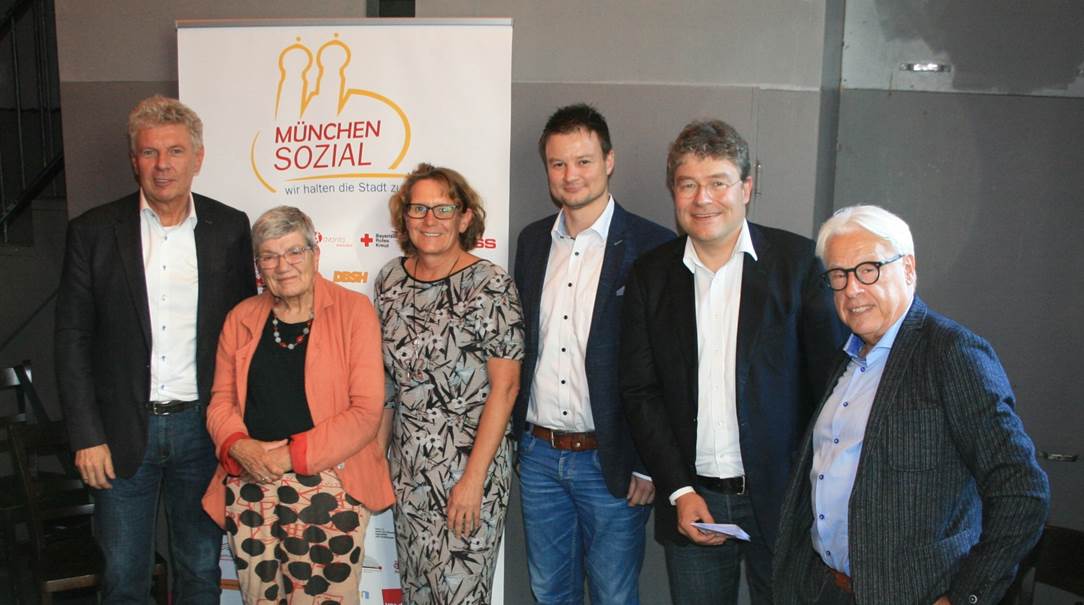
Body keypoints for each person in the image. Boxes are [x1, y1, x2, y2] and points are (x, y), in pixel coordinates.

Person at [772, 205, 1050, 605]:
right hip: (824, 588)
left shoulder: (952, 353)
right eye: (839, 275)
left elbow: (1023, 491)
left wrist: (967, 596)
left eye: (868, 269)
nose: (852, 288)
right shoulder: (846, 361)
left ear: (908, 269)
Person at [620, 119, 846, 605]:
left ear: (746, 187)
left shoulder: (799, 263)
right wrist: (678, 491)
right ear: (674, 192)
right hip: (694, 499)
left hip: (787, 501)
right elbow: (641, 392)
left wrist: (814, 490)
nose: (703, 199)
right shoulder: (650, 276)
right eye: (688, 184)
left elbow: (833, 387)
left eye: (718, 182)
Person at [53, 95, 255, 603]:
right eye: (149, 153)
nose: (162, 165)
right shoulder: (93, 233)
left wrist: (240, 427)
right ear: (134, 160)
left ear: (198, 158)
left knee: (200, 570)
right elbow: (72, 340)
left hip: (202, 430)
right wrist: (85, 435)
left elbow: (243, 334)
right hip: (120, 434)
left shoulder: (229, 228)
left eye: (175, 152)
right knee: (123, 576)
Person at [512, 103, 674, 605]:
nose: (570, 175)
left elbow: (667, 364)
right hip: (538, 457)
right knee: (548, 591)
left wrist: (650, 462)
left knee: (613, 593)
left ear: (609, 161)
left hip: (613, 459)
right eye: (558, 164)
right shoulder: (533, 240)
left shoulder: (653, 245)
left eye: (583, 161)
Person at [202, 205, 393, 604]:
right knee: (260, 600)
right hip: (251, 483)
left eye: (294, 252)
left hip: (330, 484)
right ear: (259, 266)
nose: (282, 265)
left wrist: (290, 456)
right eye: (269, 256)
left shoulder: (353, 312)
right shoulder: (241, 318)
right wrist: (240, 446)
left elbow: (366, 410)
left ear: (314, 253)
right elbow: (220, 401)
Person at [375, 163, 524, 604]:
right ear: (404, 218)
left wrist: (472, 480)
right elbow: (387, 384)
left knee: (458, 597)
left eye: (443, 208)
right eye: (418, 208)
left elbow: (506, 388)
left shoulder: (490, 285)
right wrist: (378, 460)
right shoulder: (389, 281)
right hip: (407, 471)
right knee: (418, 592)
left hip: (467, 469)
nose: (429, 220)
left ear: (464, 217)